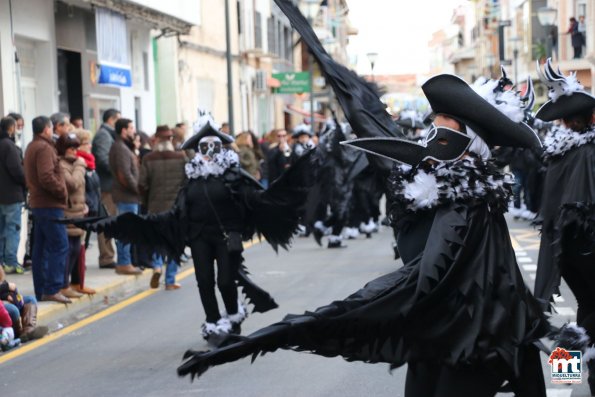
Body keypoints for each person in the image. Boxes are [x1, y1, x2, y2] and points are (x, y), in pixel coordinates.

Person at [178, 5, 550, 396]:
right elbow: (371, 121)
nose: (430, 134)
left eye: (444, 127)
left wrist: (290, 330)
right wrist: (324, 58)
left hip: (470, 346)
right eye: (433, 123)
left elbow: (426, 281)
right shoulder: (430, 182)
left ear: (468, 143)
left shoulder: (470, 203)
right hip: (439, 338)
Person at [72, 113, 313, 345]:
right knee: (204, 280)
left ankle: (232, 315)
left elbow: (256, 199)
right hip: (199, 236)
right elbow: (179, 210)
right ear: (198, 150)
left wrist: (285, 190)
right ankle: (213, 322)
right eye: (204, 148)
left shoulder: (233, 175)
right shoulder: (193, 178)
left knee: (226, 281)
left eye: (213, 147)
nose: (209, 153)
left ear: (220, 148)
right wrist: (146, 223)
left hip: (228, 235)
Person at [533, 59, 595, 394]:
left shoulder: (557, 154)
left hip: (563, 249)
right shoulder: (590, 151)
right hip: (588, 242)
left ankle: (566, 374)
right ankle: (576, 366)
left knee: (587, 305)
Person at [23, 116, 70, 304]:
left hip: (40, 203)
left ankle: (42, 289)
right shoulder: (43, 148)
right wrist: (61, 191)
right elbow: (46, 176)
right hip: (49, 204)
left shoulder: (32, 146)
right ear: (47, 129)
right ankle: (52, 288)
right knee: (60, 245)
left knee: (41, 249)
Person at [139, 125, 187, 290]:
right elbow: (187, 181)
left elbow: (142, 184)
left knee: (158, 239)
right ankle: (170, 280)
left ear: (156, 140)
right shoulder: (181, 157)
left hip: (155, 205)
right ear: (171, 140)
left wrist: (146, 202)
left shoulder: (148, 159)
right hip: (176, 208)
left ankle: (157, 266)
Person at [57, 133, 95, 296]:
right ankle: (64, 285)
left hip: (79, 211)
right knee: (69, 249)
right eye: (71, 148)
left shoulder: (75, 164)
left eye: (76, 148)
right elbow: (73, 184)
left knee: (77, 249)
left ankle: (75, 283)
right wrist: (80, 165)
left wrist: (85, 203)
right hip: (67, 213)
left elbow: (82, 188)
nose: (75, 151)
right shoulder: (61, 164)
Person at [109, 118, 142, 275]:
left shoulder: (123, 147)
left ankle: (125, 261)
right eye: (131, 128)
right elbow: (124, 175)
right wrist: (137, 189)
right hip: (126, 196)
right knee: (126, 231)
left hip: (129, 196)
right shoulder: (120, 148)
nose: (133, 131)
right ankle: (124, 262)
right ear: (123, 130)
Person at [92, 108, 120, 269]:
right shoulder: (103, 135)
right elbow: (102, 159)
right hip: (106, 187)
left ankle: (108, 256)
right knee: (106, 221)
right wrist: (119, 169)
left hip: (110, 186)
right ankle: (107, 257)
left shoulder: (108, 134)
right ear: (111, 120)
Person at [0, 117, 26, 274]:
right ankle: (11, 262)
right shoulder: (9, 146)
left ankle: (2, 262)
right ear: (11, 128)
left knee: (2, 230)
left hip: (2, 196)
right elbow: (17, 171)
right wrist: (25, 182)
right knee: (12, 229)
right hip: (12, 195)